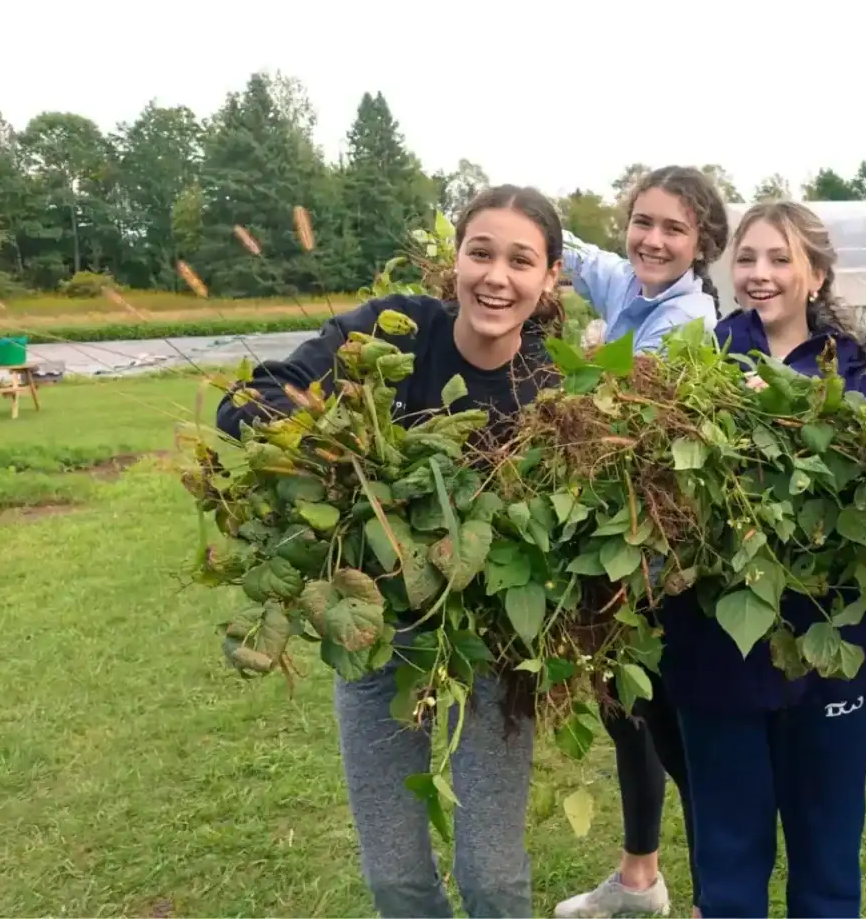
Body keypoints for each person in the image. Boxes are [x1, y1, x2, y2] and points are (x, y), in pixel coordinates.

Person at [217, 184, 567, 918]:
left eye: (521, 260)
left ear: (549, 278)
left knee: (492, 876)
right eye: (481, 253)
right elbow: (251, 400)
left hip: (492, 645)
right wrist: (340, 448)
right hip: (374, 633)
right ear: (457, 262)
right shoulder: (395, 331)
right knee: (396, 877)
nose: (496, 277)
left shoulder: (555, 386)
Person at [659, 201, 866, 919]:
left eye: (780, 258)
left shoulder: (865, 374)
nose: (759, 275)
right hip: (715, 647)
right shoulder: (695, 364)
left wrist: (801, 416)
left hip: (831, 639)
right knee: (728, 863)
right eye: (748, 258)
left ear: (816, 275)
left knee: (828, 859)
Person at [554, 166, 730, 919]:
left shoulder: (687, 316)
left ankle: (718, 895)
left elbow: (613, 399)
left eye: (674, 229)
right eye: (644, 222)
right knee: (625, 710)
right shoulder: (628, 282)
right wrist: (514, 229)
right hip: (613, 543)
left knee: (671, 725)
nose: (653, 239)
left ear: (702, 244)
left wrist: (589, 357)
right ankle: (638, 881)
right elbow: (563, 247)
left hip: (657, 554)